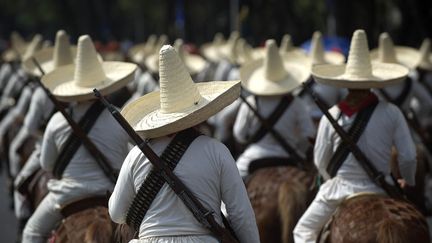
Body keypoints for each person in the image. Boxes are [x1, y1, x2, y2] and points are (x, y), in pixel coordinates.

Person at [109, 45, 260, 243]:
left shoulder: (137, 155)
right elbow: (240, 214)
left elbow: (117, 213)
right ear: (198, 116)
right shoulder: (217, 150)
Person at [293, 29, 417, 243]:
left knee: (302, 232)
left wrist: (333, 178)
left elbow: (321, 162)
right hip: (382, 186)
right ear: (372, 81)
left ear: (345, 82)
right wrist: (409, 180)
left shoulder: (332, 115)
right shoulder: (392, 112)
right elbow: (408, 157)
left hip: (340, 189)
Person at [21, 35, 137, 243]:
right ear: (104, 85)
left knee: (31, 233)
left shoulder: (57, 121)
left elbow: (46, 164)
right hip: (114, 195)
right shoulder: (120, 117)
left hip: (68, 197)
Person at [234, 39, 315, 178]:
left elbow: (239, 135)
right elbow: (309, 134)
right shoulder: (297, 103)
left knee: (229, 191)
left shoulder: (250, 102)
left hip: (253, 158)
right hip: (289, 157)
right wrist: (295, 145)